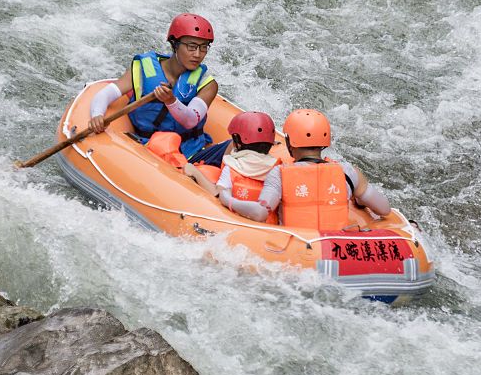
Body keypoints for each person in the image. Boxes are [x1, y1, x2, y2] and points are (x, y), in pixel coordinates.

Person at [88, 13, 229, 166]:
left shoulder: (207, 84)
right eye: (192, 47)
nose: (198, 54)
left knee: (240, 144)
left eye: (203, 48)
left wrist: (171, 101)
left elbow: (190, 121)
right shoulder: (144, 69)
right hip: (148, 148)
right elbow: (106, 94)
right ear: (175, 44)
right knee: (163, 143)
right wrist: (97, 115)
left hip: (191, 153)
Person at [255, 109, 391, 229]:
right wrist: (360, 200)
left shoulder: (279, 173)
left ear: (290, 142)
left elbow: (261, 212)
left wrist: (233, 201)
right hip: (336, 246)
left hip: (297, 248)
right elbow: (384, 209)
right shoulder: (349, 173)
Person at [184, 112, 281, 223]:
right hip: (270, 228)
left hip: (236, 221)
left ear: (236, 143)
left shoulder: (233, 167)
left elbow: (218, 193)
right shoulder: (277, 168)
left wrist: (194, 172)